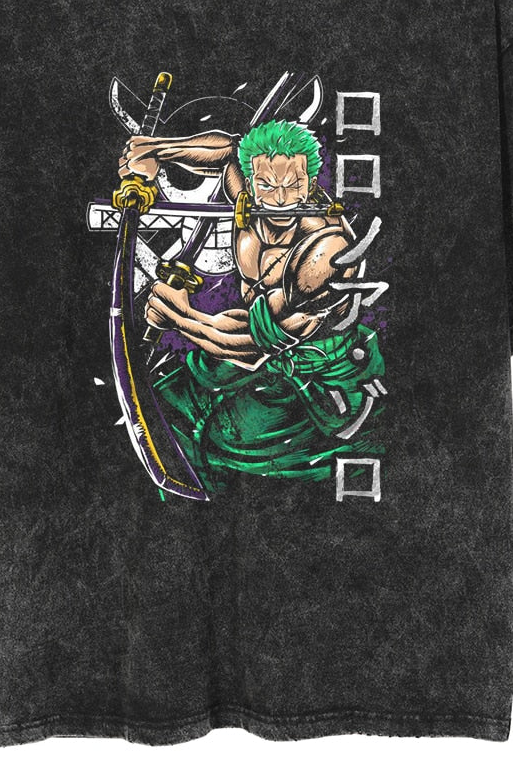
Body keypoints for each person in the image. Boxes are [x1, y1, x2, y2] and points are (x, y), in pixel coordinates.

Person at [119, 118, 387, 496]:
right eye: (267, 185)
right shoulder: (248, 196)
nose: (279, 199)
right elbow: (227, 149)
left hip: (312, 376)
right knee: (165, 405)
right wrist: (156, 150)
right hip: (253, 348)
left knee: (222, 442)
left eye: (293, 185)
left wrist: (177, 315)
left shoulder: (325, 251)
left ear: (311, 182)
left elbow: (250, 346)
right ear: (252, 179)